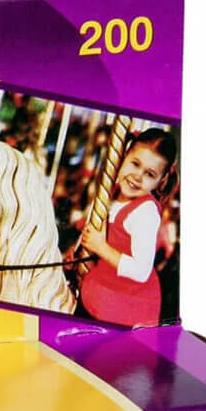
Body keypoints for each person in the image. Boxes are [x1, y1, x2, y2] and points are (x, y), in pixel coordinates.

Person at [76, 128, 178, 327]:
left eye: (150, 174)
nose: (137, 177)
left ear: (161, 180)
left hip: (125, 305)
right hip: (101, 287)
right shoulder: (111, 194)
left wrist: (101, 248)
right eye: (135, 163)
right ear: (124, 157)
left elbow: (141, 271)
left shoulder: (145, 212)